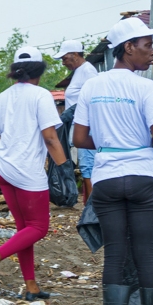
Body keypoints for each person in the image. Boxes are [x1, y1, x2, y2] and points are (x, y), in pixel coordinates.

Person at [72, 17, 153, 305]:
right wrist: (139, 140)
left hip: (108, 179)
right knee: (144, 252)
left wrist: (110, 144)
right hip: (143, 177)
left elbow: (79, 137)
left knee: (115, 252)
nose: (152, 52)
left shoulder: (91, 87)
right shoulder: (148, 88)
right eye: (146, 45)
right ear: (128, 48)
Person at [0, 46, 69, 300]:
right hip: (27, 171)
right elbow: (50, 138)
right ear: (39, 70)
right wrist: (66, 169)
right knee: (39, 227)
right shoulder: (41, 95)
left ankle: (31, 287)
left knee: (23, 229)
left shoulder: (3, 96)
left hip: (4, 168)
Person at [55, 39, 100, 202]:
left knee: (88, 166)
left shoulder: (88, 71)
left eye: (64, 58)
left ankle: (93, 207)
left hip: (88, 125)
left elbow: (92, 98)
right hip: (79, 123)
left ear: (74, 55)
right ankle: (89, 204)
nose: (63, 63)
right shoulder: (79, 72)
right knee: (86, 166)